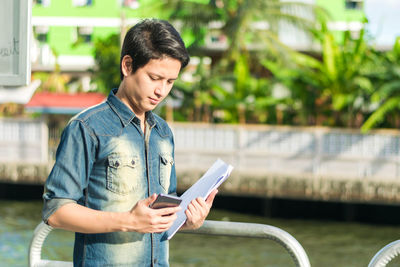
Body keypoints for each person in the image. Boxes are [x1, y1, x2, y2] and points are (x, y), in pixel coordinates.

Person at [42, 18, 218, 267]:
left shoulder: (163, 132)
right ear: (127, 65)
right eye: (155, 78)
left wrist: (188, 219)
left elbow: (164, 212)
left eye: (170, 82)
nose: (162, 91)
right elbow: (56, 211)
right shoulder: (87, 127)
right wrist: (129, 220)